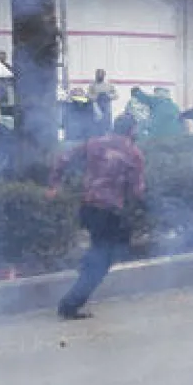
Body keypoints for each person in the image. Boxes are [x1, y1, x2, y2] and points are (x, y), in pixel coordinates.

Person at [47, 114, 146, 320]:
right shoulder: (133, 153)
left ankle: (86, 266)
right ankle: (70, 304)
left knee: (104, 250)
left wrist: (54, 185)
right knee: (103, 258)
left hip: (89, 207)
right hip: (109, 211)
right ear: (132, 130)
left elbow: (63, 158)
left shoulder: (94, 144)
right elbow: (137, 192)